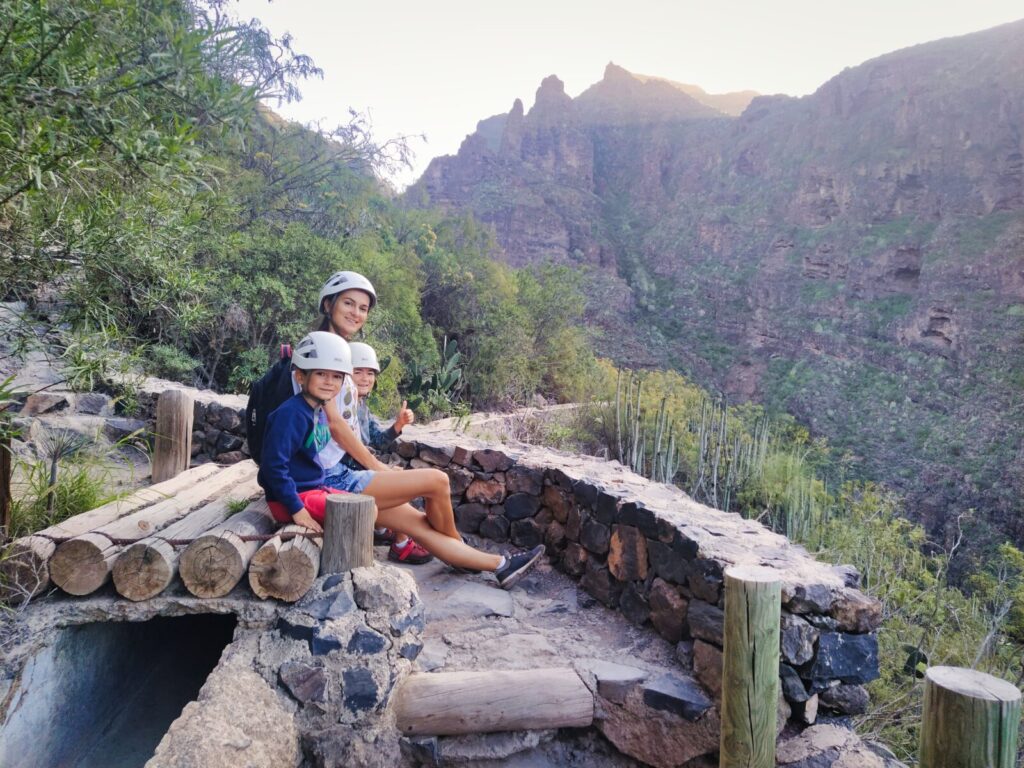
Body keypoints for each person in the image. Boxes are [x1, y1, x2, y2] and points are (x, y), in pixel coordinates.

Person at [259, 331, 545, 588]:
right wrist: (298, 509)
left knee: (420, 525)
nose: (330, 383)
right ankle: (460, 551)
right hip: (315, 494)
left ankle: (501, 566)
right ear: (300, 376)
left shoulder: (318, 409)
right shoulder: (292, 413)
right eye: (321, 374)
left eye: (336, 377)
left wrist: (394, 431)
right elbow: (273, 467)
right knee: (435, 481)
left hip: (322, 489)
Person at [346, 340, 429, 564]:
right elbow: (348, 453)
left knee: (396, 475)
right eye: (358, 372)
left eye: (370, 373)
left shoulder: (361, 405)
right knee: (400, 482)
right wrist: (383, 470)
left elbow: (379, 441)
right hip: (348, 477)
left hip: (361, 470)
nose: (365, 378)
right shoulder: (343, 408)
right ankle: (401, 544)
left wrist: (398, 425)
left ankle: (382, 530)